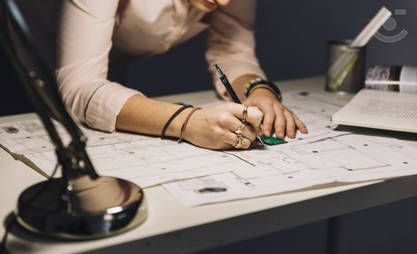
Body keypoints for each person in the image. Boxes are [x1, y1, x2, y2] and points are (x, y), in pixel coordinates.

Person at [30, 0, 309, 149]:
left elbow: (232, 51)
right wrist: (186, 122)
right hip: (31, 54)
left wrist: (259, 90)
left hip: (104, 71)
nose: (225, 1)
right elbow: (80, 85)